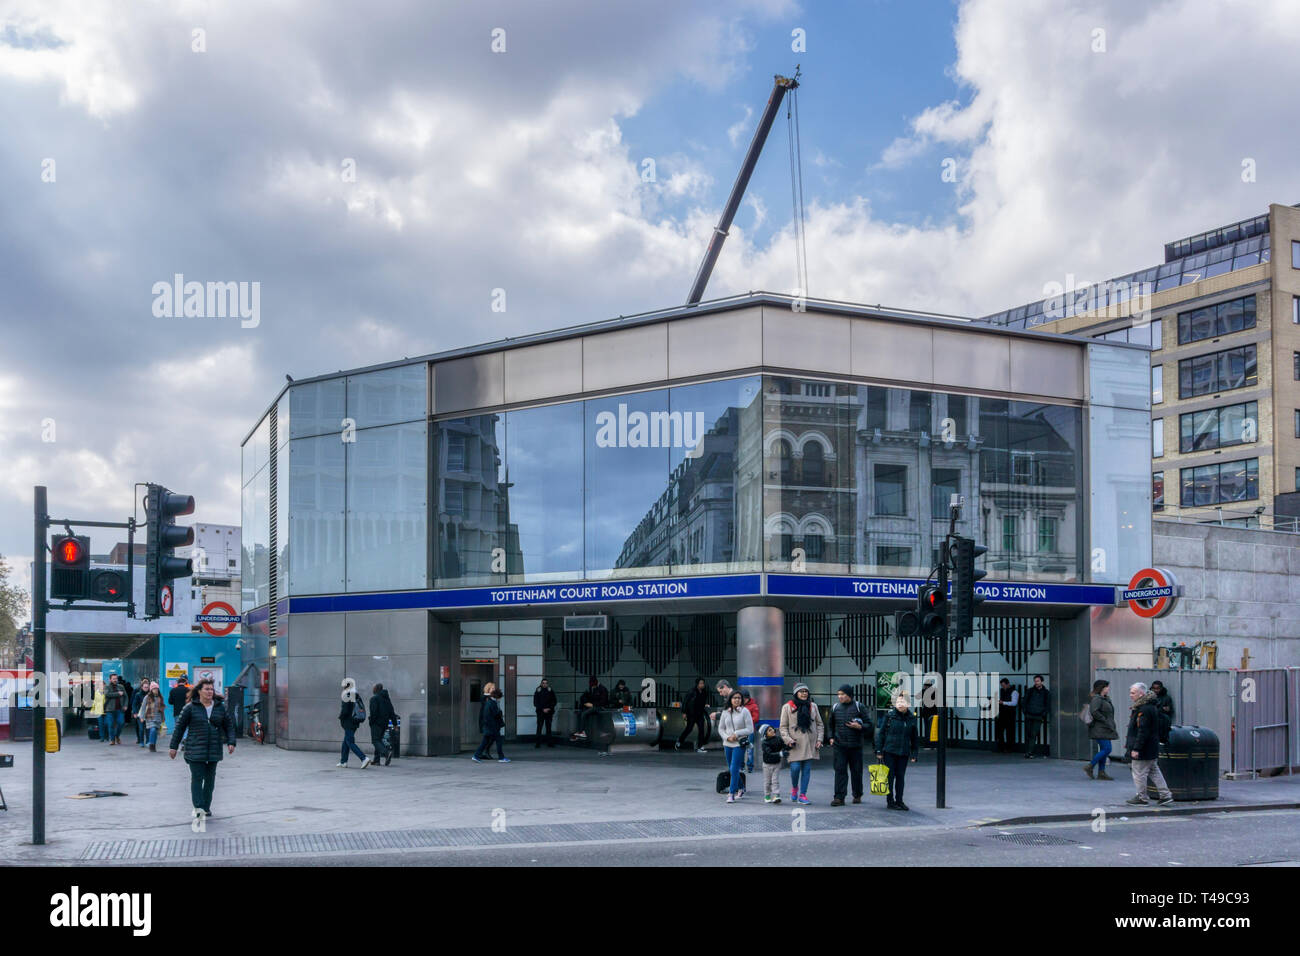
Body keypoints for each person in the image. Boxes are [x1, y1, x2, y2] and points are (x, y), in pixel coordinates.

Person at [168, 677, 236, 821]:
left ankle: (206, 807)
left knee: (210, 780)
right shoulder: (190, 708)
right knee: (197, 778)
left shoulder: (220, 707)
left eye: (211, 689)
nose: (210, 691)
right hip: (195, 748)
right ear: (199, 691)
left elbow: (229, 726)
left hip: (213, 749)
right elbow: (179, 728)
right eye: (206, 689)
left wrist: (231, 742)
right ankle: (199, 808)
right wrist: (173, 747)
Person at [1124, 682, 1174, 806]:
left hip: (1143, 748)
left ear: (1141, 694)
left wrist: (1136, 748)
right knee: (1154, 771)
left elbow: (1143, 730)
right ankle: (1165, 795)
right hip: (1151, 747)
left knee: (1139, 773)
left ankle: (1141, 797)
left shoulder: (1144, 709)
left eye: (1133, 693)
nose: (1130, 695)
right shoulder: (1150, 706)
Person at [828, 684, 873, 806]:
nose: (840, 697)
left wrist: (860, 727)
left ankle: (857, 795)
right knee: (840, 771)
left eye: (843, 694)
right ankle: (839, 797)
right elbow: (830, 725)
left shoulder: (859, 707)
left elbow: (870, 725)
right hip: (839, 745)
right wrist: (831, 737)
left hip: (856, 746)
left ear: (849, 695)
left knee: (856, 771)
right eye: (839, 694)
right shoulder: (835, 707)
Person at [779, 683, 823, 806]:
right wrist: (788, 740)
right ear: (796, 693)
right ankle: (794, 788)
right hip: (795, 744)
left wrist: (819, 739)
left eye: (806, 691)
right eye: (801, 691)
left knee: (807, 770)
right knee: (795, 768)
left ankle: (803, 794)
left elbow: (819, 724)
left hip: (810, 743)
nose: (804, 693)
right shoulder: (787, 707)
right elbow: (783, 727)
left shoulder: (813, 706)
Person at [875, 692, 919, 810]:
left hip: (903, 752)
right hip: (889, 751)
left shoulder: (911, 718)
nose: (900, 704)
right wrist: (879, 751)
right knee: (890, 777)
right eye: (898, 702)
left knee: (900, 777)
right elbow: (881, 734)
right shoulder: (889, 716)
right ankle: (890, 801)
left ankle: (899, 800)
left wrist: (914, 753)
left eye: (902, 702)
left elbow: (914, 738)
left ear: (908, 704)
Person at [717, 690, 754, 803]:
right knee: (732, 769)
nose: (737, 700)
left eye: (739, 698)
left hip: (739, 743)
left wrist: (736, 734)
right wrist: (727, 737)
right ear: (730, 700)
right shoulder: (725, 712)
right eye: (734, 698)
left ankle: (731, 793)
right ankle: (741, 788)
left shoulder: (745, 711)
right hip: (727, 743)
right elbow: (721, 728)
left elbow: (750, 729)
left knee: (734, 768)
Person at [1085, 679, 1118, 780]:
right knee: (1107, 749)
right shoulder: (1097, 699)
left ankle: (1101, 772)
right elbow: (1094, 711)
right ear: (1102, 688)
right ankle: (1090, 766)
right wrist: (1104, 720)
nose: (1108, 688)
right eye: (1107, 687)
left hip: (1105, 728)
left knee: (1105, 749)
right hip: (1099, 728)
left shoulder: (1105, 699)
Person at [337, 684, 372, 768]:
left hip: (348, 722)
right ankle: (343, 761)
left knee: (350, 742)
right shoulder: (356, 695)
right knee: (346, 741)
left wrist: (340, 717)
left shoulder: (347, 695)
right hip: (355, 722)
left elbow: (345, 711)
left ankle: (363, 758)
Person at [472, 685, 509, 762]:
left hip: (488, 726)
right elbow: (496, 714)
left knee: (484, 742)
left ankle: (476, 755)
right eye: (499, 698)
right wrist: (500, 712)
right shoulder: (492, 704)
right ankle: (501, 757)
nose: (500, 699)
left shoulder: (489, 703)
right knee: (499, 741)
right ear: (497, 697)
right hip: (493, 727)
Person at [676, 678, 712, 752]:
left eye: (703, 683)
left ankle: (700, 747)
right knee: (689, 729)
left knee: (701, 729)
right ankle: (679, 741)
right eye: (700, 683)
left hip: (700, 714)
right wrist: (684, 712)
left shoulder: (704, 692)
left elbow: (701, 701)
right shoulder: (691, 692)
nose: (702, 685)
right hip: (692, 714)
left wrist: (705, 705)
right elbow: (685, 701)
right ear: (697, 684)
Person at [367, 682, 397, 766]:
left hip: (376, 723)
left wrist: (371, 722)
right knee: (379, 740)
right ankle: (376, 760)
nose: (372, 689)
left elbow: (373, 713)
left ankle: (386, 753)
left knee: (375, 741)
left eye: (373, 688)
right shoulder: (387, 699)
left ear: (376, 689)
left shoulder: (374, 699)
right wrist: (395, 724)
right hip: (384, 723)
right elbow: (392, 712)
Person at [1022, 674, 1051, 758]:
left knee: (1033, 734)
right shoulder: (1030, 691)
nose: (1036, 683)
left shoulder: (1046, 692)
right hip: (1029, 715)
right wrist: (1025, 712)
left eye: (1038, 681)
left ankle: (1029, 752)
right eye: (1035, 681)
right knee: (1028, 734)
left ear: (1042, 681)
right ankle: (1028, 751)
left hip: (1038, 716)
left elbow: (1047, 705)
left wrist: (1043, 714)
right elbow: (1024, 702)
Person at [573, 676, 608, 741]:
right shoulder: (591, 688)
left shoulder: (603, 689)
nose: (592, 687)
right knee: (580, 712)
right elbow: (584, 697)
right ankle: (580, 730)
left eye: (593, 686)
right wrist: (586, 703)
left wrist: (592, 705)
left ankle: (582, 732)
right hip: (593, 706)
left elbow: (604, 702)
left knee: (584, 713)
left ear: (596, 683)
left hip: (600, 707)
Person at [759, 723, 786, 803]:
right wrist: (780, 754)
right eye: (769, 730)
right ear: (765, 734)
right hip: (767, 765)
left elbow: (784, 746)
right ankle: (767, 795)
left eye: (772, 729)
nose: (772, 731)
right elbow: (769, 753)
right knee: (767, 782)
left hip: (777, 764)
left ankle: (776, 795)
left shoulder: (778, 739)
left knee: (775, 780)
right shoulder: (764, 743)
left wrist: (790, 746)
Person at [139, 684, 166, 752]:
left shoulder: (160, 697)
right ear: (151, 690)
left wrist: (163, 718)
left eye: (156, 688)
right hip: (149, 717)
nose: (155, 690)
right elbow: (143, 707)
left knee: (155, 732)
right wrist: (142, 717)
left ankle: (153, 745)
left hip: (158, 717)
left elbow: (162, 709)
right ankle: (151, 744)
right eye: (154, 689)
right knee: (153, 730)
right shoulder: (147, 697)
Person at [994, 677, 1017, 752]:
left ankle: (1009, 748)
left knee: (1009, 732)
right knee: (999, 731)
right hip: (1002, 713)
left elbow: (1014, 703)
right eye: (1002, 685)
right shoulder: (1002, 691)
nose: (1003, 687)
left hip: (1010, 714)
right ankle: (1001, 747)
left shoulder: (1014, 692)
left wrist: (1003, 702)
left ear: (1008, 684)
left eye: (1004, 685)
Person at [533, 678, 557, 748]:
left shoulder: (550, 690)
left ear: (547, 684)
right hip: (540, 712)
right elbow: (535, 702)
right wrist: (543, 709)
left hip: (549, 712)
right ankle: (537, 743)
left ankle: (550, 743)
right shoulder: (538, 691)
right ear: (541, 684)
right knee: (539, 727)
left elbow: (554, 701)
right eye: (543, 683)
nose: (544, 684)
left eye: (546, 683)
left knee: (548, 728)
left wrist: (549, 708)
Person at [103, 674, 126, 745]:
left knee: (121, 723)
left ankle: (117, 736)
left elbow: (126, 696)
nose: (115, 680)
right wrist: (118, 693)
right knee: (111, 725)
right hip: (110, 709)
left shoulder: (121, 686)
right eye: (113, 679)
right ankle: (112, 740)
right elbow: (107, 694)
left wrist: (125, 705)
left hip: (119, 709)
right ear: (110, 679)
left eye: (116, 678)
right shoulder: (107, 687)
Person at [1151, 680, 1175, 745]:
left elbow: (1169, 710)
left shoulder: (1166, 698)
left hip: (1162, 724)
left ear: (1161, 688)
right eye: (1154, 688)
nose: (1156, 690)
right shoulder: (1149, 697)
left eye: (1158, 688)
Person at [169, 676, 191, 748]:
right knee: (187, 727)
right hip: (187, 711)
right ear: (185, 682)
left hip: (177, 712)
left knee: (179, 728)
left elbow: (170, 702)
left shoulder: (173, 691)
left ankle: (182, 744)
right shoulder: (188, 690)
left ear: (177, 683)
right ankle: (185, 739)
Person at [919, 679, 939, 750]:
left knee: (928, 729)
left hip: (927, 713)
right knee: (933, 730)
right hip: (934, 713)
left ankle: (928, 745)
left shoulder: (925, 692)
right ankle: (934, 745)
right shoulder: (935, 692)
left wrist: (923, 689)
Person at [131, 680, 149, 748]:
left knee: (147, 729)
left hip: (148, 714)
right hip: (140, 714)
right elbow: (134, 704)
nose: (146, 688)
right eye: (145, 687)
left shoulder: (150, 695)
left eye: (147, 687)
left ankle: (147, 741)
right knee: (141, 729)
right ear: (142, 687)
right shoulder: (138, 695)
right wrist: (135, 712)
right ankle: (141, 741)